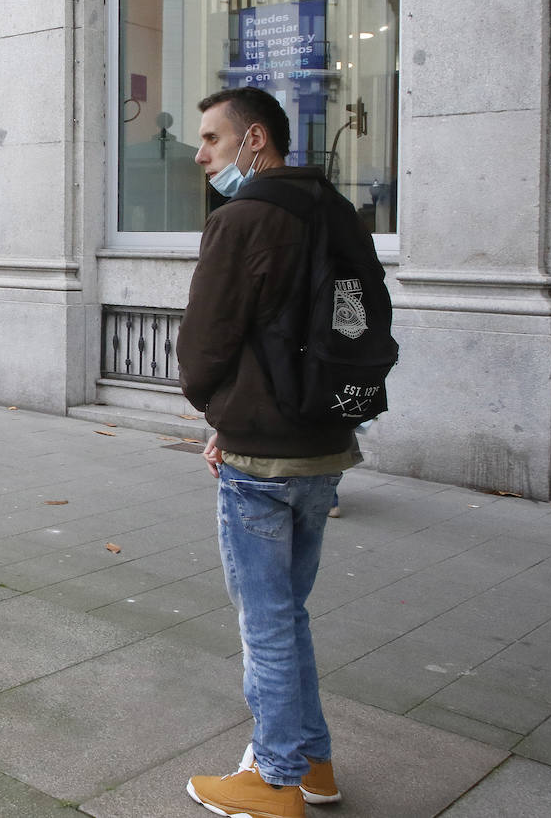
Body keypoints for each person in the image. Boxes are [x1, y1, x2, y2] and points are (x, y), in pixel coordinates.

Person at [177, 86, 361, 818]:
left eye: (212, 139)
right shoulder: (335, 211)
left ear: (255, 140)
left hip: (262, 458)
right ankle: (314, 762)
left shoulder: (242, 219)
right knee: (288, 614)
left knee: (265, 624)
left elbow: (204, 344)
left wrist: (217, 411)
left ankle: (275, 780)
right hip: (326, 445)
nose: (201, 155)